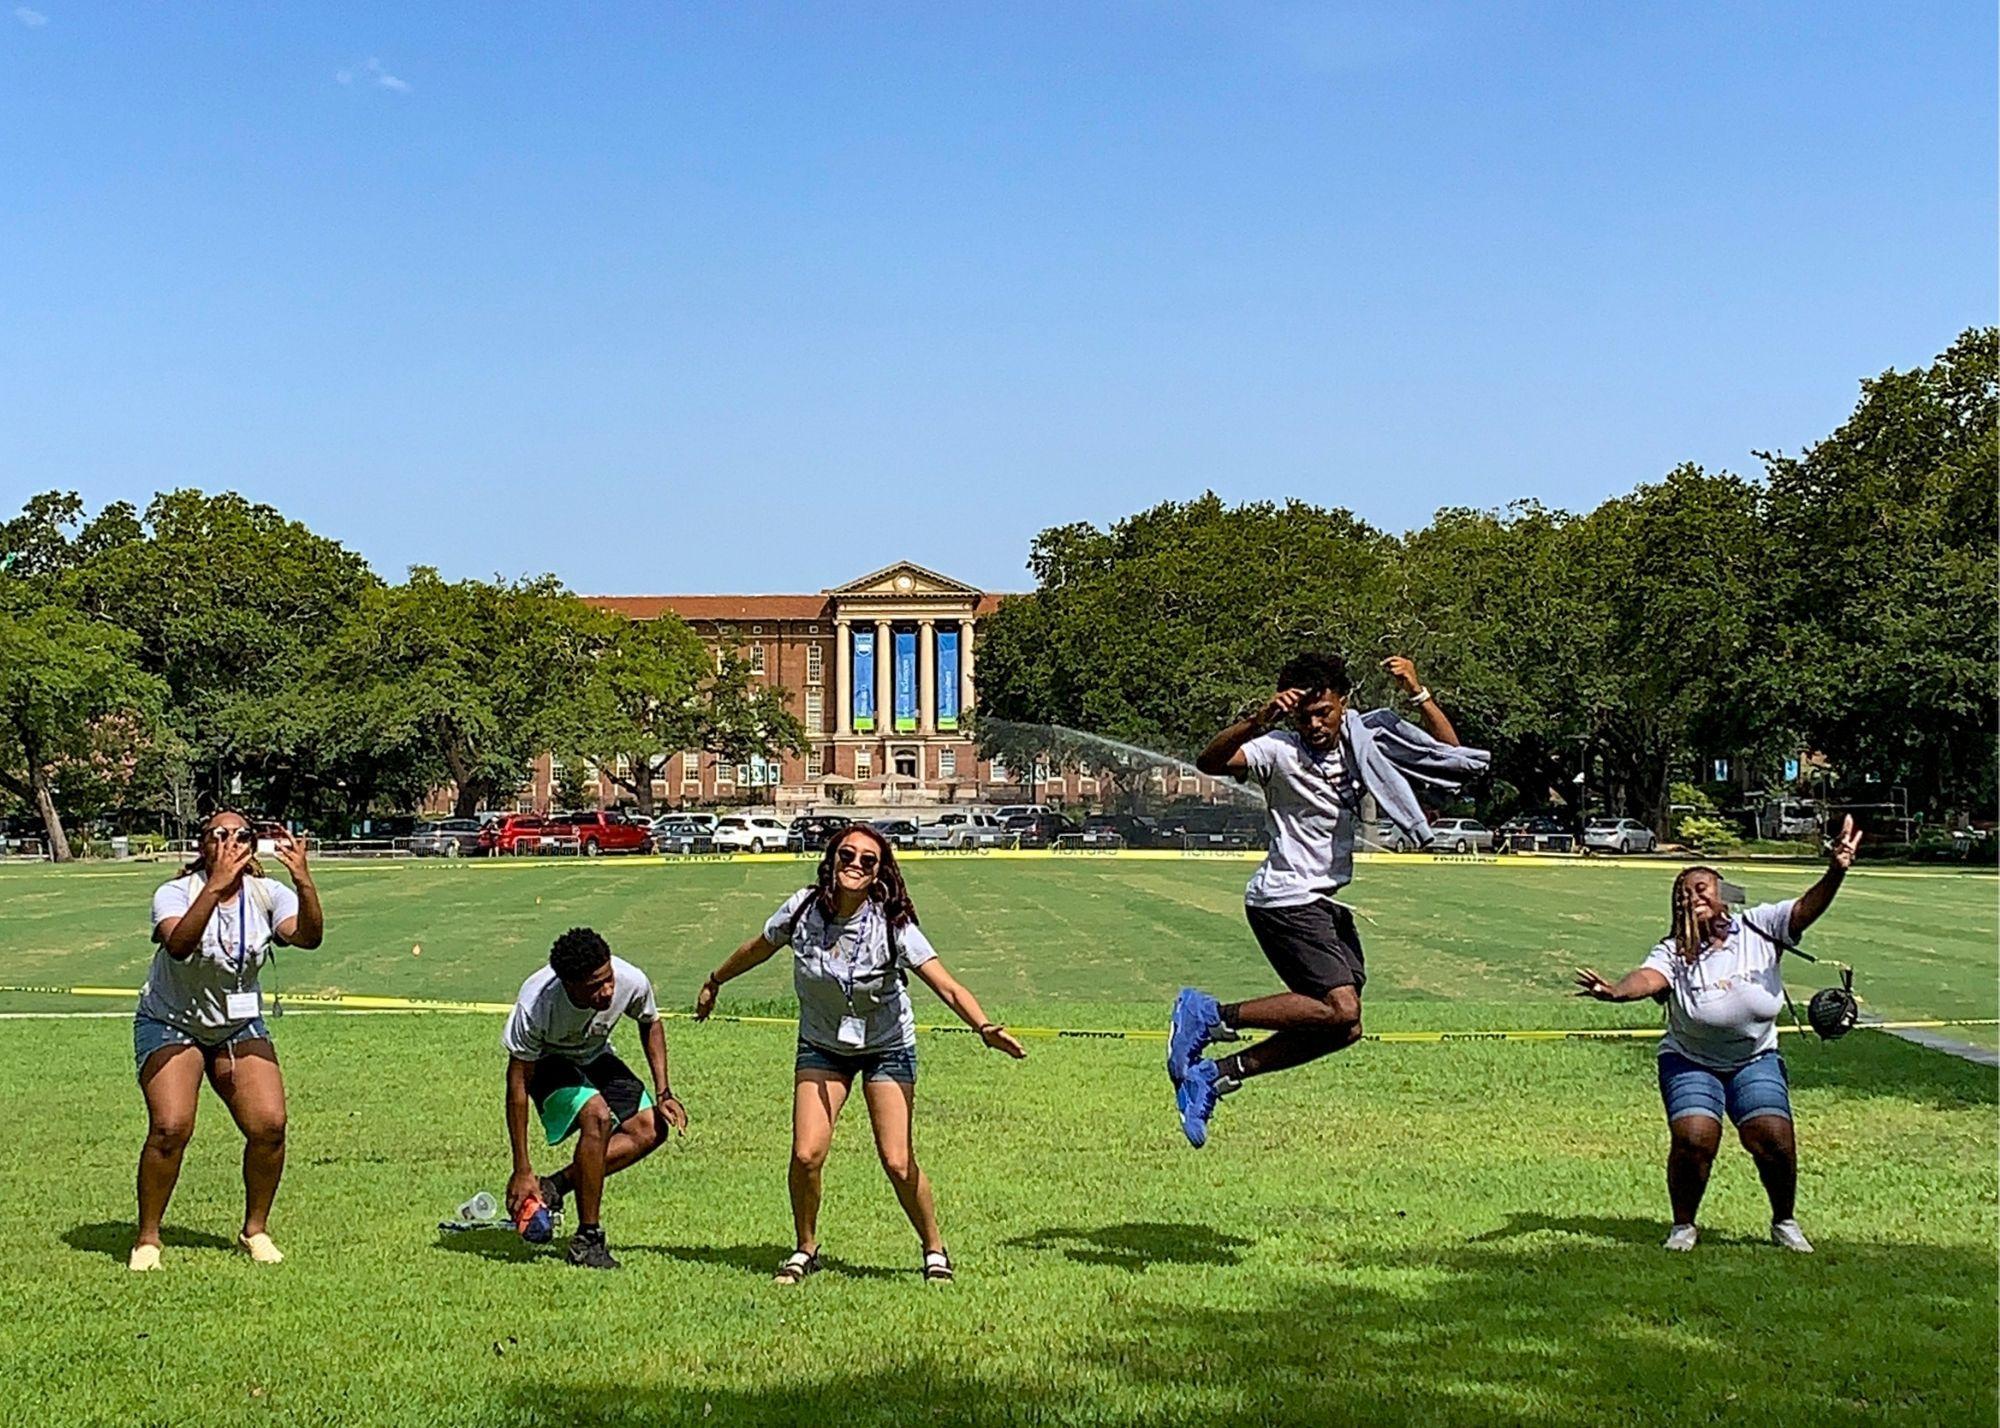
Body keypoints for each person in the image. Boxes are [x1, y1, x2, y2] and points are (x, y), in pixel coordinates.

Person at [1168, 653, 1489, 1146]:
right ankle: (1209, 1014)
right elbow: (1209, 762)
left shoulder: (1367, 739)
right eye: (1306, 717)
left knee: (1345, 1028)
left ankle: (1215, 1075)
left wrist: (1417, 693)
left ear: (1344, 703)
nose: (1316, 725)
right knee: (1338, 1007)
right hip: (1284, 896)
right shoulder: (1275, 748)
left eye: (1326, 713)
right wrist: (1259, 720)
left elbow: (1451, 756)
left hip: (1324, 900)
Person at [696, 823, 1026, 1284]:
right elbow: (758, 947)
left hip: (886, 1047)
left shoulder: (892, 925)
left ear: (878, 874)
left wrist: (984, 1027)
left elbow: (947, 985)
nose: (854, 865)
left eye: (866, 861)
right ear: (831, 860)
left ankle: (934, 1248)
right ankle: (805, 1248)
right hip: (822, 1045)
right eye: (846, 855)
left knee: (896, 1159)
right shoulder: (802, 909)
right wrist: (716, 980)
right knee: (807, 1154)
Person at [1573, 817, 1864, 1253]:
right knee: (1694, 1137)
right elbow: (1649, 978)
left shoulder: (1760, 926)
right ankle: (1684, 1226)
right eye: (1683, 893)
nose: (1692, 896)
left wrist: (1836, 869)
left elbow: (1806, 908)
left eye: (1701, 888)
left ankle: (1784, 1221)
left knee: (1773, 1138)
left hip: (1755, 1057)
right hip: (1690, 1059)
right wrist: (1616, 990)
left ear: (1723, 894)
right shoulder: (1673, 950)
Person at [132, 810, 323, 1271]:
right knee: (171, 1127)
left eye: (242, 835)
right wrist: (216, 887)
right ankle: (148, 1239)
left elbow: (308, 938)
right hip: (171, 1019)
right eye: (220, 835)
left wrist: (303, 881)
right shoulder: (176, 892)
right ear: (203, 845)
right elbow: (177, 945)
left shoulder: (265, 893)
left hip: (237, 1025)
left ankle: (254, 1230)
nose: (232, 842)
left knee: (270, 1125)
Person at [502, 927, 688, 1269]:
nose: (606, 991)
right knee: (597, 1116)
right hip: (548, 1061)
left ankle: (555, 1186)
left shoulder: (630, 979)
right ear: (568, 984)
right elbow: (517, 1084)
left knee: (650, 1129)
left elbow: (651, 1022)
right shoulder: (537, 1004)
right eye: (594, 986)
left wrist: (664, 1092)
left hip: (594, 1053)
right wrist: (521, 1168)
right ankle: (588, 1240)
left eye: (608, 979)